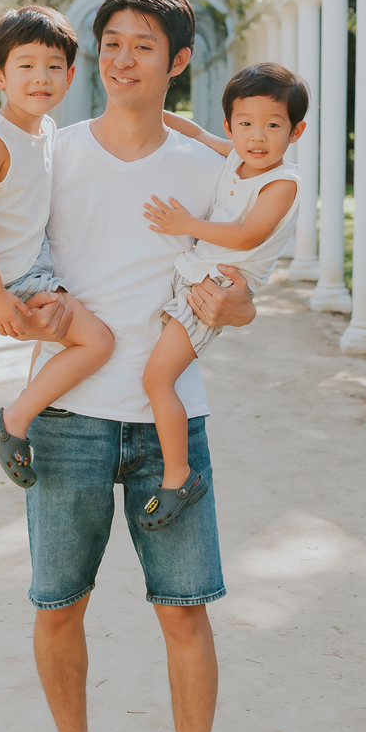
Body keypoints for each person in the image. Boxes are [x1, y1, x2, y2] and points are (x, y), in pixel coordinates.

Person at [9, 0, 257, 732]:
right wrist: (29, 312)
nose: (120, 59)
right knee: (56, 604)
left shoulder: (208, 172)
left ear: (178, 61)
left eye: (143, 46)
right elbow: (14, 264)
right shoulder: (53, 153)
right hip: (69, 415)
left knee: (183, 613)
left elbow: (245, 298)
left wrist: (230, 303)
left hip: (169, 424)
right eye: (110, 42)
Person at [135, 64, 305, 528]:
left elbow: (248, 234)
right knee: (151, 371)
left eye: (274, 125)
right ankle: (175, 470)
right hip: (193, 276)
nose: (258, 136)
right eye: (246, 123)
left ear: (296, 131)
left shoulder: (281, 182)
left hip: (216, 287)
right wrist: (151, 110)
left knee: (157, 380)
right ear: (231, 125)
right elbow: (194, 130)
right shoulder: (236, 155)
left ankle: (178, 476)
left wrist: (184, 224)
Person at [0, 5, 114, 486]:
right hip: (12, 275)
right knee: (98, 341)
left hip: (36, 262)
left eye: (53, 67)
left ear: (70, 77)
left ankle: (31, 419)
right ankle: (11, 421)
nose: (40, 77)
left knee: (59, 339)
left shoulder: (44, 129)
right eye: (25, 65)